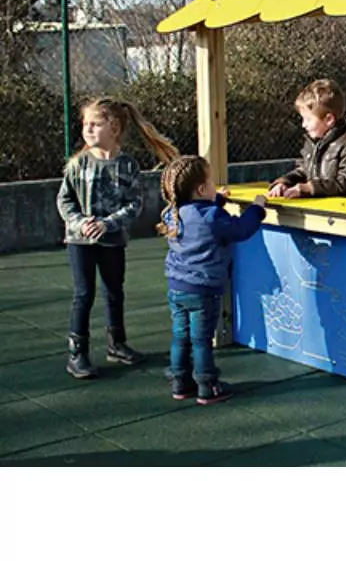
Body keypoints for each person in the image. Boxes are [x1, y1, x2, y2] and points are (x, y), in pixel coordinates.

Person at [56, 97, 179, 380]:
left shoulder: (127, 166)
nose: (87, 130)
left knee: (114, 291)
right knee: (83, 294)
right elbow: (65, 200)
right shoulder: (77, 165)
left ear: (113, 127)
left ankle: (117, 343)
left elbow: (134, 204)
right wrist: (81, 222)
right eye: (85, 124)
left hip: (112, 241)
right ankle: (77, 353)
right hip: (80, 241)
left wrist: (107, 224)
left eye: (95, 124)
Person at [158, 155, 267, 405]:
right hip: (203, 289)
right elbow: (240, 229)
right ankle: (207, 385)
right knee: (201, 339)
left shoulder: (173, 215)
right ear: (200, 189)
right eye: (211, 183)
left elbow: (199, 214)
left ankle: (180, 381)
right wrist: (257, 207)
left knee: (180, 336)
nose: (213, 186)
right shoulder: (213, 217)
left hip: (176, 286)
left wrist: (218, 198)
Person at [268, 78, 346, 200]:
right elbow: (304, 170)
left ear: (329, 119)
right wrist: (284, 182)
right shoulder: (312, 143)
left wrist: (309, 188)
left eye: (308, 119)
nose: (303, 124)